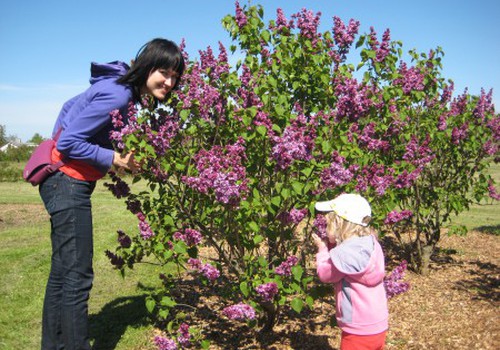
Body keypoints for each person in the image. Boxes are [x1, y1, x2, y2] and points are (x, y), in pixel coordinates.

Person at [39, 38, 185, 350]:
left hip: (62, 179)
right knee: (78, 277)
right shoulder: (120, 95)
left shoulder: (120, 90)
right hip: (66, 182)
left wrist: (104, 153)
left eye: (175, 76)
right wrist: (113, 159)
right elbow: (69, 143)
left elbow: (69, 107)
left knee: (63, 273)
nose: (170, 82)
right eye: (164, 72)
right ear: (146, 66)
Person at [312, 193, 388, 350]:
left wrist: (322, 250)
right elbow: (350, 254)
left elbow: (325, 274)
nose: (325, 230)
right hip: (378, 325)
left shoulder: (343, 255)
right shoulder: (372, 244)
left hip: (356, 329)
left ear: (340, 225)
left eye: (328, 225)